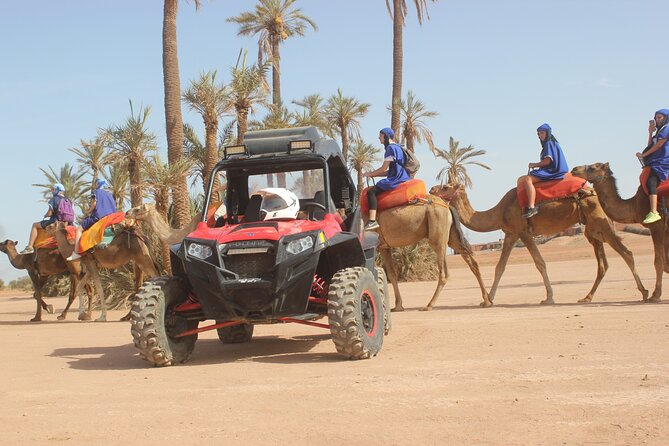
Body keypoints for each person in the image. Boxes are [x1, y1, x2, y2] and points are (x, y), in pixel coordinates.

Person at [362, 127, 411, 230]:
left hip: (396, 179)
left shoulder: (390, 149)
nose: (379, 138)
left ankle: (372, 221)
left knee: (371, 192)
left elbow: (383, 168)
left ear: (386, 136)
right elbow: (390, 171)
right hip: (402, 176)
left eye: (380, 136)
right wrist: (374, 175)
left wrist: (369, 174)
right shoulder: (398, 147)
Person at [518, 123, 569, 218]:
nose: (540, 136)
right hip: (553, 169)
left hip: (553, 170)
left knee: (527, 179)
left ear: (547, 133)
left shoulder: (549, 143)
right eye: (539, 134)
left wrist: (534, 165)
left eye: (542, 133)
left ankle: (531, 207)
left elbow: (547, 161)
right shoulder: (552, 143)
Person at [67, 179, 117, 261]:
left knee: (79, 229)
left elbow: (94, 203)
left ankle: (76, 253)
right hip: (111, 218)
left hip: (98, 217)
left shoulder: (97, 192)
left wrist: (89, 211)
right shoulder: (110, 195)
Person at [636, 109, 669, 224]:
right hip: (655, 161)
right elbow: (651, 145)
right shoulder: (659, 132)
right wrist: (650, 132)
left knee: (651, 182)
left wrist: (644, 154)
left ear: (665, 118)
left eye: (660, 117)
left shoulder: (667, 128)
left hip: (663, 161)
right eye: (656, 118)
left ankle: (654, 212)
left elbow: (659, 145)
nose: (657, 120)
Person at [21, 183, 72, 254]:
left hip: (55, 222)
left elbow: (49, 213)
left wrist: (46, 215)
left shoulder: (54, 199)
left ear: (58, 190)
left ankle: (30, 247)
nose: (52, 191)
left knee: (35, 225)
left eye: (54, 189)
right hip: (68, 223)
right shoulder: (68, 200)